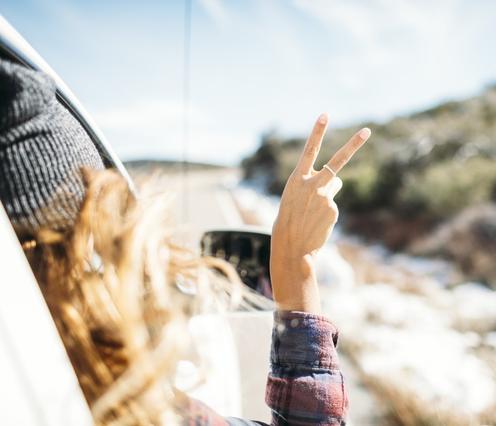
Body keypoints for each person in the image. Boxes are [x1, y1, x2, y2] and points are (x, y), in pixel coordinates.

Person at [0, 56, 371, 425]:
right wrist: (296, 262)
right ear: (85, 274)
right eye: (124, 249)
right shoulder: (135, 408)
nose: (153, 280)